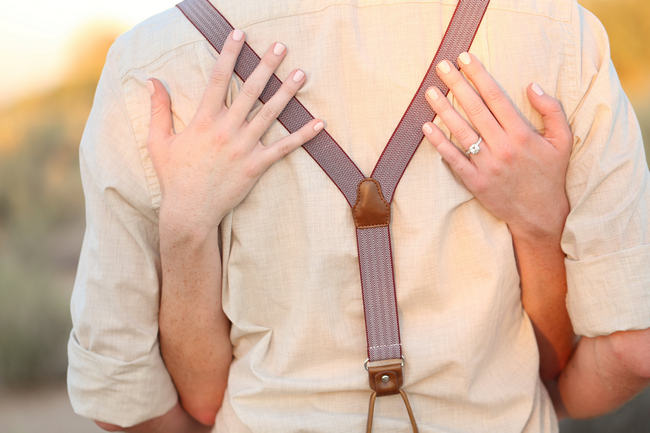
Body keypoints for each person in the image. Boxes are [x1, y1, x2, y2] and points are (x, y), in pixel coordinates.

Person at [67, 1, 650, 432]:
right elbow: (631, 348)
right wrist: (550, 400)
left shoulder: (150, 67)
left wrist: (186, 230)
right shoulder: (554, 30)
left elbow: (127, 400)